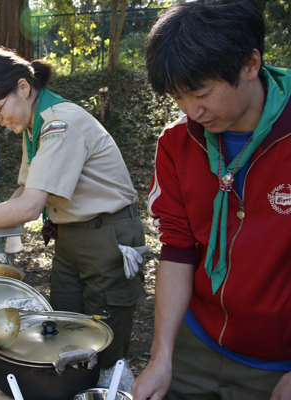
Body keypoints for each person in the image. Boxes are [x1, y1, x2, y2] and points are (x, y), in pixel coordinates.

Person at [0, 48, 145, 368]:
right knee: (65, 330)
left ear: (23, 88)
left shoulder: (61, 124)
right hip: (70, 236)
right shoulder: (35, 127)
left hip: (106, 235)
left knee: (102, 339)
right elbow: (26, 189)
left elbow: (29, 207)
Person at [132, 1, 291, 399]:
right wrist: (161, 354)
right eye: (178, 98)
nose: (192, 111)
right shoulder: (176, 142)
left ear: (251, 64)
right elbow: (178, 248)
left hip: (278, 362)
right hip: (196, 343)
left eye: (201, 93)